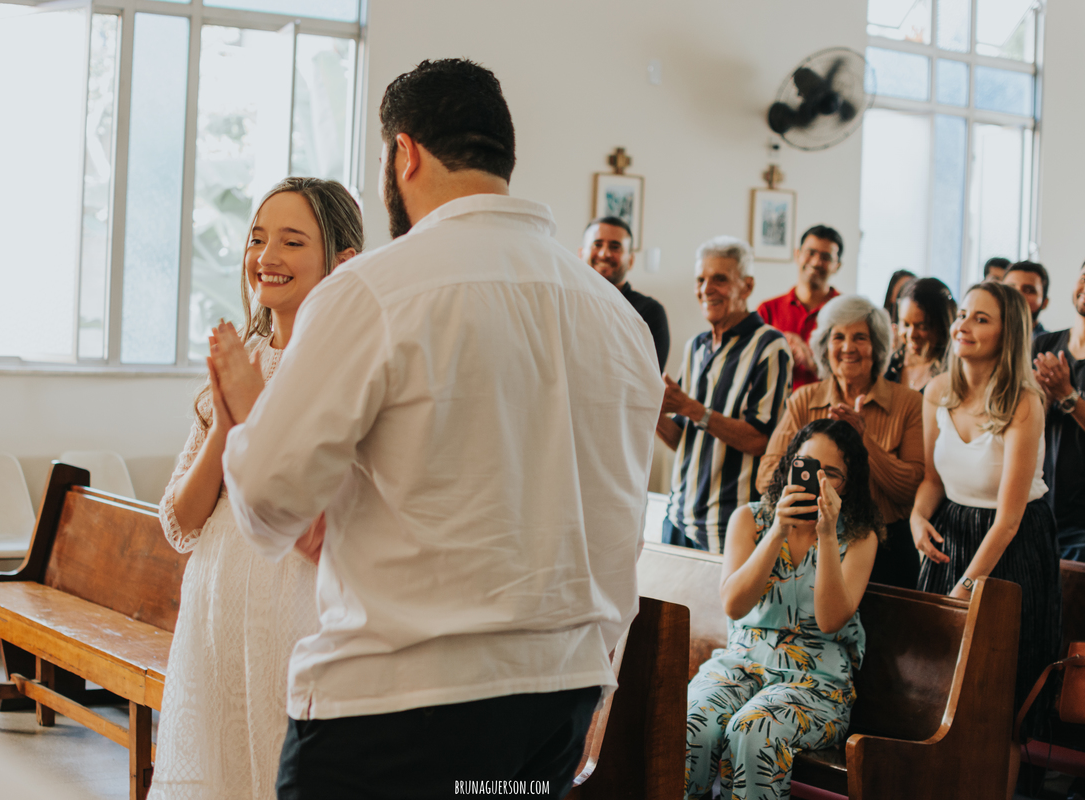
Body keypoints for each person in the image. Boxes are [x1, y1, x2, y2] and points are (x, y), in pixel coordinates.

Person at [215, 59, 664, 799]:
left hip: (398, 708)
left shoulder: (374, 291)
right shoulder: (616, 317)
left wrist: (246, 410)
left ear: (405, 153)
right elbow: (621, 524)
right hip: (556, 701)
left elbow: (267, 498)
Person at [150, 178, 363, 800]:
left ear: (341, 263)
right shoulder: (240, 357)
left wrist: (254, 407)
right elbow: (181, 522)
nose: (266, 256)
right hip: (218, 609)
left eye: (292, 241)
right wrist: (224, 422)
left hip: (301, 611)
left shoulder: (351, 369)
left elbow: (328, 505)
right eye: (257, 238)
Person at [685, 419, 880, 800]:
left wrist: (826, 533)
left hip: (816, 680)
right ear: (791, 465)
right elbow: (734, 604)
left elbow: (830, 619)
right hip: (741, 663)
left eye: (832, 475)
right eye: (807, 468)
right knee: (694, 720)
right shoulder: (751, 519)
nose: (817, 481)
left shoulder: (858, 536)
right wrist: (777, 530)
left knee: (754, 730)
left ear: (849, 484)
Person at [910, 280, 1061, 741]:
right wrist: (918, 517)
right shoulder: (937, 391)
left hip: (1009, 546)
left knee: (998, 691)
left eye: (981, 318)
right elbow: (932, 480)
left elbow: (1010, 518)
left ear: (1007, 332)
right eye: (963, 315)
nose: (964, 326)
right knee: (937, 682)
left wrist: (966, 588)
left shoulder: (1024, 401)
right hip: (951, 532)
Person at [758, 295, 923, 588]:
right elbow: (766, 477)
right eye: (838, 337)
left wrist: (864, 441)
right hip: (810, 545)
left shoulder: (908, 403)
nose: (848, 348)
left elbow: (911, 489)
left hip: (887, 549)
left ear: (878, 347)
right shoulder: (804, 400)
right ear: (824, 347)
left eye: (860, 337)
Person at [661, 236, 792, 553]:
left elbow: (759, 440)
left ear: (746, 287)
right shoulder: (695, 346)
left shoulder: (770, 346)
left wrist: (692, 408)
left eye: (719, 279)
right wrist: (649, 406)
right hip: (678, 519)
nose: (706, 288)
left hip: (729, 528)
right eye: (701, 279)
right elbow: (685, 440)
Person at [1033, 251, 1085, 563]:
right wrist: (1044, 400)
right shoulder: (1043, 345)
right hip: (1036, 508)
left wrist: (1067, 394)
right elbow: (1020, 420)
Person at [757, 225, 844, 389]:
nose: (816, 262)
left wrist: (812, 363)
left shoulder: (847, 312)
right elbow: (750, 368)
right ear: (797, 255)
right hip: (776, 411)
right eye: (810, 253)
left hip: (830, 410)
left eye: (826, 257)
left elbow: (856, 375)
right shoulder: (767, 310)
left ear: (837, 265)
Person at [579, 215, 670, 370]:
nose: (604, 254)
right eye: (597, 244)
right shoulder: (565, 302)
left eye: (615, 247)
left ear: (631, 260)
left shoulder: (649, 313)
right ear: (581, 254)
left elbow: (647, 379)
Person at [883, 277, 956, 393]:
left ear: (942, 326)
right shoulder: (890, 365)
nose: (912, 335)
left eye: (923, 327)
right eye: (906, 324)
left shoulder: (952, 375)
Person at [1004, 260, 1051, 339]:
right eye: (1010, 288)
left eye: (1028, 291)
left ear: (1044, 303)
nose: (1017, 295)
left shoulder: (1050, 346)